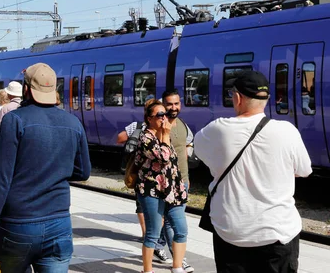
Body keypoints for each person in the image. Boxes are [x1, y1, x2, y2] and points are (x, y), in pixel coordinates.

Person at [194, 71, 312, 273]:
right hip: (278, 233)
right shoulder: (287, 130)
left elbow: (201, 154)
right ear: (267, 99)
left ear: (238, 98)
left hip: (231, 233)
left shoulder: (217, 130)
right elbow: (303, 170)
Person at [0, 63, 92, 272]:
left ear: (26, 90)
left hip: (18, 223)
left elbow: (2, 176)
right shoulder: (73, 122)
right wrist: (57, 172)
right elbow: (83, 171)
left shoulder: (14, 120)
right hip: (59, 223)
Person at [134, 99, 188, 273]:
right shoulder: (146, 138)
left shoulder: (163, 134)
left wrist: (181, 188)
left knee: (181, 230)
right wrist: (165, 135)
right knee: (153, 233)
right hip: (151, 191)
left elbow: (173, 163)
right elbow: (163, 157)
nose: (164, 118)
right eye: (159, 115)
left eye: (164, 114)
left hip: (172, 191)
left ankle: (177, 267)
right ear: (149, 118)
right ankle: (147, 270)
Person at [157, 89, 195, 272]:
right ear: (163, 104)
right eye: (169, 104)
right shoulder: (158, 125)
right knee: (175, 223)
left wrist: (187, 178)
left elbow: (184, 154)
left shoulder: (182, 124)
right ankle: (178, 262)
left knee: (172, 222)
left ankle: (160, 247)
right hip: (165, 182)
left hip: (182, 181)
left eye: (176, 103)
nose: (173, 107)